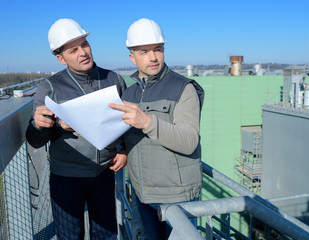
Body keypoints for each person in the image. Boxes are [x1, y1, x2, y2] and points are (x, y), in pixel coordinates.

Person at [26, 18, 127, 239]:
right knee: (70, 236)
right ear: (61, 58)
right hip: (67, 177)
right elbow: (35, 140)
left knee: (106, 235)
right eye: (73, 50)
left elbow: (125, 123)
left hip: (104, 173)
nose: (83, 52)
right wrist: (39, 125)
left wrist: (122, 149)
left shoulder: (114, 79)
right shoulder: (50, 87)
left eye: (85, 44)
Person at [109, 18, 204, 239]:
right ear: (132, 57)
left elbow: (189, 141)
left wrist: (148, 122)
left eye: (158, 49)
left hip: (177, 197)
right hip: (143, 195)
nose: (153, 57)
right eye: (144, 52)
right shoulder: (129, 94)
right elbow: (126, 137)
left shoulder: (183, 88)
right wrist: (121, 149)